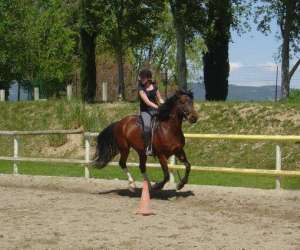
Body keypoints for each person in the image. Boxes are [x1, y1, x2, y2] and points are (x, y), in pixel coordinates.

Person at [138, 69, 164, 155]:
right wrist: (158, 107)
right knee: (147, 127)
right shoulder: (141, 89)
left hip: (156, 110)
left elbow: (159, 98)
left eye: (143, 78)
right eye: (141, 78)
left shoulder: (155, 87)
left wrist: (164, 105)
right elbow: (147, 102)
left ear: (148, 78)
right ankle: (148, 147)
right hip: (145, 111)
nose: (141, 79)